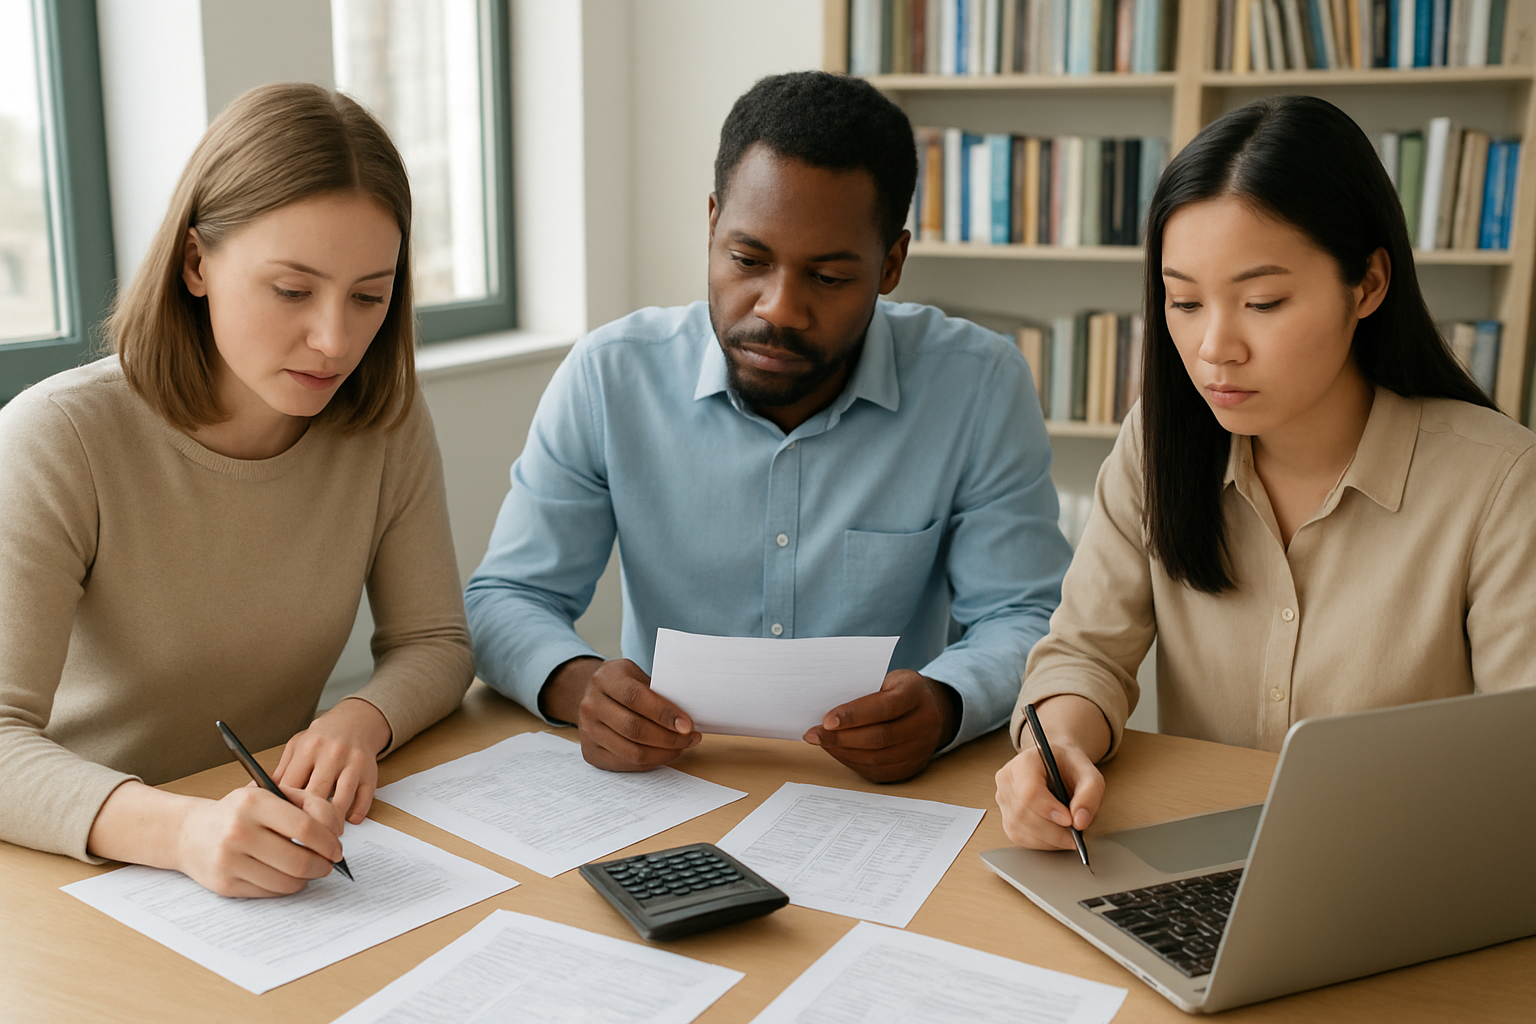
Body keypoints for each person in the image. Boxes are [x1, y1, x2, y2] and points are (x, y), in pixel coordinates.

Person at [466, 72, 1070, 783]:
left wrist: (944, 701)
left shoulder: (977, 384)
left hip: (884, 796)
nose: (779, 308)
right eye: (748, 260)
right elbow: (507, 597)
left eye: (829, 277)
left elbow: (1025, 612)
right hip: (668, 782)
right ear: (713, 222)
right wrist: (577, 686)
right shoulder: (609, 377)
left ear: (891, 265)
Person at [995, 95, 1536, 852]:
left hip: (1400, 868)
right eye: (1182, 301)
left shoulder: (1499, 482)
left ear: (1368, 285)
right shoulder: (1157, 443)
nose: (1215, 346)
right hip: (1198, 860)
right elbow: (1087, 654)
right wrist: (1053, 750)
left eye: (1262, 301)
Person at [0, 84, 474, 896]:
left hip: (270, 854)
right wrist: (183, 831)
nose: (335, 340)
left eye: (369, 295)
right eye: (292, 290)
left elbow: (435, 642)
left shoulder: (383, 424)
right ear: (195, 264)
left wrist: (358, 721)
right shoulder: (59, 437)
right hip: (80, 865)